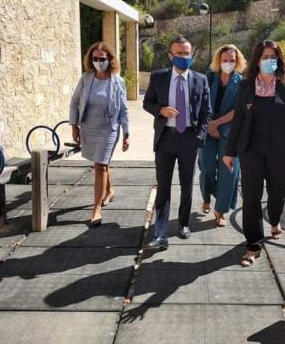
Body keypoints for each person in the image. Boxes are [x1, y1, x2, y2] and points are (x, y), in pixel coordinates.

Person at [223, 40, 285, 267]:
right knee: (251, 197)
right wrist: (229, 152)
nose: (269, 61)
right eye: (265, 57)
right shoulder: (246, 85)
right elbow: (238, 120)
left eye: (273, 57)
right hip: (251, 150)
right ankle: (253, 245)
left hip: (280, 150)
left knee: (277, 192)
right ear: (257, 60)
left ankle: (274, 220)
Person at [143, 36, 212, 249]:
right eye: (179, 53)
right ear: (170, 56)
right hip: (165, 138)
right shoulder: (158, 77)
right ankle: (160, 233)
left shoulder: (200, 80)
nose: (184, 57)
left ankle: (183, 224)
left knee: (187, 185)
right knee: (163, 186)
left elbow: (207, 112)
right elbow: (147, 102)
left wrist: (199, 137)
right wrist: (161, 110)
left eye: (187, 53)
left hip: (189, 138)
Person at [69, 41, 130, 226]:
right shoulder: (86, 78)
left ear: (110, 60)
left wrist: (126, 133)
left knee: (100, 166)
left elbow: (123, 110)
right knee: (100, 164)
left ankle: (96, 209)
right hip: (89, 127)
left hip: (108, 129)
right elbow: (74, 101)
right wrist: (74, 126)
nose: (98, 62)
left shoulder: (118, 82)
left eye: (102, 59)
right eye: (95, 59)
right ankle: (109, 191)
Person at [198, 44, 246, 226]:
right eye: (225, 60)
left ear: (237, 61)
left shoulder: (241, 82)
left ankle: (220, 211)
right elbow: (201, 103)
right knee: (207, 167)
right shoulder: (209, 78)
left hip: (230, 130)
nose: (228, 63)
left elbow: (238, 110)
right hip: (207, 127)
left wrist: (216, 123)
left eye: (232, 60)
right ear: (219, 60)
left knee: (228, 171)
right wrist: (209, 124)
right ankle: (207, 197)